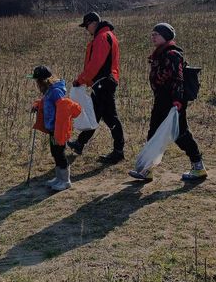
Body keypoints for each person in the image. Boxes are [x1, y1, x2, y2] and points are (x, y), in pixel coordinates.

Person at [129, 23, 206, 182]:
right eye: (152, 34)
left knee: (180, 133)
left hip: (173, 101)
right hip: (162, 100)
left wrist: (177, 101)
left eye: (156, 34)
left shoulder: (172, 54)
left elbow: (178, 78)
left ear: (165, 36)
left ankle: (198, 167)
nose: (153, 36)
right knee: (154, 132)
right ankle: (146, 169)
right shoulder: (160, 53)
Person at [67, 12, 125, 164]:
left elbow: (95, 63)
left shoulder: (101, 37)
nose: (87, 29)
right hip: (104, 81)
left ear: (93, 23)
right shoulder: (108, 35)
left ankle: (119, 151)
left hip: (103, 82)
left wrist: (80, 80)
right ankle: (80, 144)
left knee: (110, 117)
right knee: (94, 114)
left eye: (87, 26)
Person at [29, 66, 72, 191]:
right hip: (52, 128)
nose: (36, 84)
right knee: (55, 152)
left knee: (60, 152)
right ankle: (59, 178)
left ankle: (65, 180)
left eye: (37, 81)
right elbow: (46, 102)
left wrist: (59, 127)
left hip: (58, 128)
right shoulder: (49, 91)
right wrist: (38, 105)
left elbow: (62, 107)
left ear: (43, 81)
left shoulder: (55, 91)